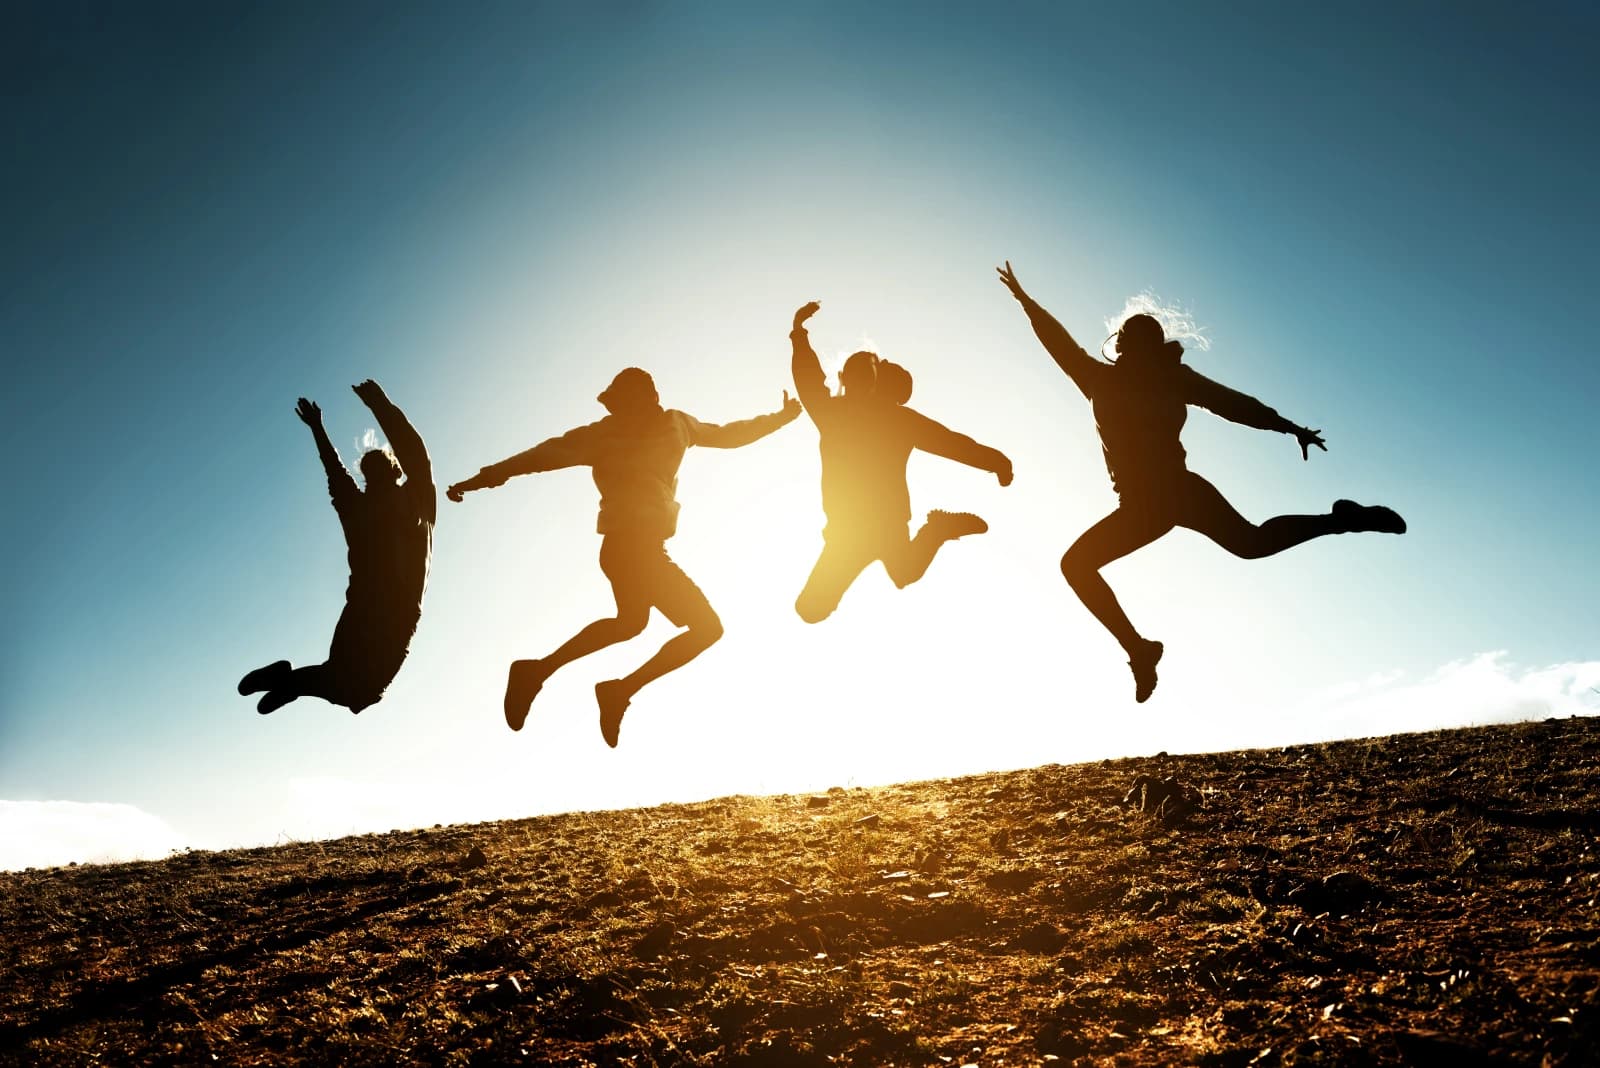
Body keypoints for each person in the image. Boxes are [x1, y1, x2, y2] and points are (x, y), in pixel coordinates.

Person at [996, 261, 1405, 702]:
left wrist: (1288, 427)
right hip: (1149, 504)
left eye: (1138, 341)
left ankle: (1341, 520)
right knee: (1085, 564)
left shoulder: (1156, 379)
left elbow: (1233, 404)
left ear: (1140, 347)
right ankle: (1140, 650)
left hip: (1172, 493)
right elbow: (1057, 341)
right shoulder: (1105, 378)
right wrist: (1025, 301)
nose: (1131, 349)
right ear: (1122, 346)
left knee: (1249, 544)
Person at [446, 368, 800, 747]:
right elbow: (538, 456)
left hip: (641, 547)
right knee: (705, 628)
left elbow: (729, 434)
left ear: (651, 396)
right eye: (621, 402)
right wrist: (481, 479)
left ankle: (541, 673)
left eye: (638, 399)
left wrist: (778, 419)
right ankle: (609, 689)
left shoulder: (677, 423)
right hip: (628, 546)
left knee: (631, 623)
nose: (629, 409)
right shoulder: (601, 434)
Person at [789, 301, 1013, 623]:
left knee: (897, 574)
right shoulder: (851, 415)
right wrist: (997, 463)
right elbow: (952, 443)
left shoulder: (873, 418)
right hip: (852, 529)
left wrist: (799, 332)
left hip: (873, 526)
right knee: (889, 578)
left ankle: (938, 528)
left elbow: (950, 443)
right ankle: (938, 529)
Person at [239, 380, 436, 714]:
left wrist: (318, 428)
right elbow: (414, 451)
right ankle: (289, 682)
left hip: (360, 606)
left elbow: (336, 472)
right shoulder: (415, 501)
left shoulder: (357, 510)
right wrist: (379, 405)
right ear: (395, 470)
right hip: (395, 613)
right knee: (359, 692)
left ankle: (288, 682)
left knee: (345, 682)